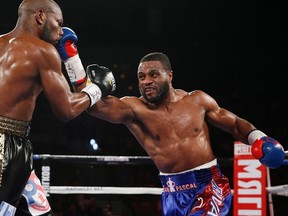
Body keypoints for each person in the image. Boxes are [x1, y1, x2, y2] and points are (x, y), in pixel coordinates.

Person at [59, 31, 285, 215]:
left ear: (169, 75)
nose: (146, 81)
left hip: (209, 186)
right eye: (141, 77)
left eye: (153, 75)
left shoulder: (197, 100)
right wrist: (71, 58)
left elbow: (235, 124)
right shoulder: (134, 109)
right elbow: (92, 105)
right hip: (171, 193)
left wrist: (259, 138)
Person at [0, 0, 115, 215]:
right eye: (58, 22)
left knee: (40, 211)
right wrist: (98, 89)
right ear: (40, 16)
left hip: (15, 150)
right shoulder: (43, 51)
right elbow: (67, 109)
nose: (61, 30)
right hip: (7, 147)